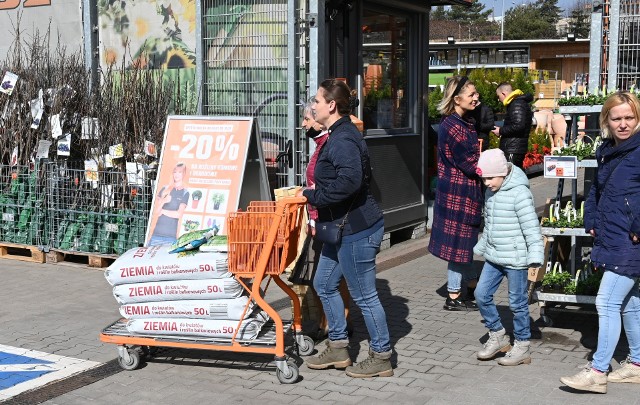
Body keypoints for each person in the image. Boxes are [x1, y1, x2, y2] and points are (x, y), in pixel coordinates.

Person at [297, 79, 392, 378]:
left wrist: (312, 196)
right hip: (341, 228)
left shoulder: (343, 139)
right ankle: (339, 347)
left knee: (364, 295)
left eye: (316, 100)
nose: (312, 106)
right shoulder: (337, 134)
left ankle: (381, 355)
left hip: (357, 230)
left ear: (331, 105)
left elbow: (350, 182)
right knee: (323, 284)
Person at [560, 91, 640, 394]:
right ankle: (636, 364)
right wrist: (590, 219)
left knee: (607, 301)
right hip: (611, 233)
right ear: (606, 120)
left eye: (629, 118)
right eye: (617, 118)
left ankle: (598, 370)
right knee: (630, 302)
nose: (623, 124)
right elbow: (596, 190)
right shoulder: (607, 150)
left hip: (631, 237)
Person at [473, 148, 544, 366]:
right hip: (495, 257)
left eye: (490, 178)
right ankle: (498, 334)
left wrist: (535, 255)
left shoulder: (519, 193)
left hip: (516, 259)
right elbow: (491, 223)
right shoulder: (491, 191)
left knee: (517, 303)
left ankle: (522, 345)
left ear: (503, 173)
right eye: (483, 178)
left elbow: (532, 228)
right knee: (481, 294)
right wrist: (482, 246)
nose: (486, 183)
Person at [428, 76, 483, 311]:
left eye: (475, 93)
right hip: (457, 193)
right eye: (471, 94)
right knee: (458, 246)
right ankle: (453, 296)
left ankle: (470, 286)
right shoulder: (454, 126)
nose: (476, 97)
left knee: (466, 243)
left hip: (461, 191)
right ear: (456, 98)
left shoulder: (461, 122)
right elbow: (470, 162)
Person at [300, 99, 351, 340]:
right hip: (318, 218)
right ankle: (327, 323)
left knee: (330, 278)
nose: (303, 124)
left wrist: (311, 198)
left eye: (307, 119)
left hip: (328, 220)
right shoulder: (321, 144)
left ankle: (336, 324)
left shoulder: (332, 143)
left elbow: (332, 185)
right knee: (322, 277)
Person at [491, 82, 533, 169]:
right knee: (516, 175)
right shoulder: (516, 103)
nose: (499, 99)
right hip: (514, 147)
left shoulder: (516, 104)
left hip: (513, 148)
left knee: (512, 176)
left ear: (503, 94)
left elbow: (518, 126)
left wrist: (500, 130)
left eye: (498, 96)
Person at [148, 163, 190, 246]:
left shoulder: (185, 192)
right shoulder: (165, 188)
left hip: (170, 237)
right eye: (175, 172)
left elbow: (178, 214)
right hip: (156, 235)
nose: (176, 174)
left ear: (184, 174)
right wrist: (164, 201)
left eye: (180, 172)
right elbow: (156, 211)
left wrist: (163, 211)